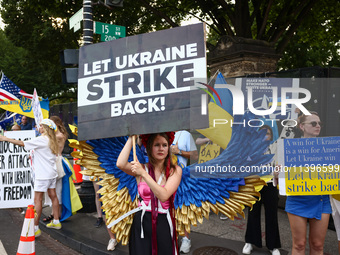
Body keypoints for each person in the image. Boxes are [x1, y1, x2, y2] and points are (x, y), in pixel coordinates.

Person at [117, 133, 182, 255]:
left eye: (164, 145)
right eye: (156, 145)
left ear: (169, 148)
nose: (161, 148)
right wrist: (132, 138)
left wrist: (143, 174)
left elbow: (163, 195)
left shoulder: (175, 170)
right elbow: (120, 163)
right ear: (149, 148)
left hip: (163, 223)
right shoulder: (141, 168)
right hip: (141, 222)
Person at [0, 119, 61, 237]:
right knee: (53, 196)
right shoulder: (52, 140)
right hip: (52, 174)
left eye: (41, 126)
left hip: (43, 175)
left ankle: (35, 228)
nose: (39, 127)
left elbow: (22, 143)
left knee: (37, 200)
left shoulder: (42, 139)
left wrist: (5, 139)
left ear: (45, 128)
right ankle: (56, 221)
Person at [285, 112, 331, 254]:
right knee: (299, 244)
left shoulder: (329, 148)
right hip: (298, 199)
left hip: (321, 199)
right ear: (301, 126)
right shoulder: (290, 148)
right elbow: (282, 176)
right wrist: (278, 174)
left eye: (319, 123)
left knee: (317, 245)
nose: (318, 126)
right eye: (313, 123)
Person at [242, 125, 281, 255]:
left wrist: (277, 173)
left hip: (270, 184)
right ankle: (250, 242)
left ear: (271, 136)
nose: (265, 136)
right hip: (255, 184)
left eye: (268, 134)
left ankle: (273, 246)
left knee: (272, 215)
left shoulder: (275, 148)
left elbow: (279, 166)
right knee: (253, 214)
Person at [171, 130, 197, 253]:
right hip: (164, 178)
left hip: (182, 178)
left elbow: (195, 156)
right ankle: (170, 236)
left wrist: (179, 152)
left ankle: (185, 239)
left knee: (184, 208)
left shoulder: (185, 134)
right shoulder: (161, 133)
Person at [93, 180, 118, 250]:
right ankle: (112, 238)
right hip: (105, 178)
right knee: (106, 210)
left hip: (121, 177)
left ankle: (126, 236)